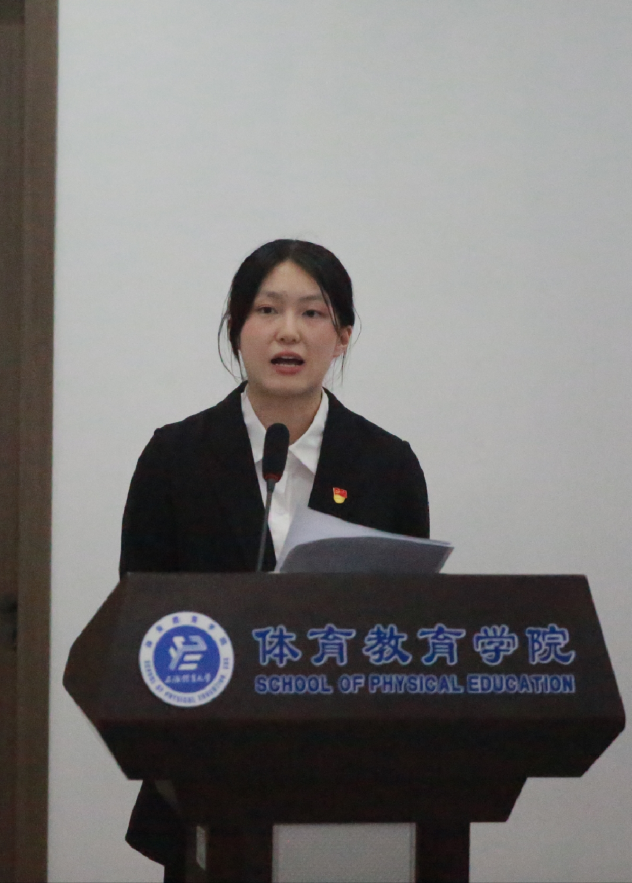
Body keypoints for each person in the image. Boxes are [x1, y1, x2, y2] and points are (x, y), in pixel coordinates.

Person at [118, 239, 429, 879]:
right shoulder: (175, 459)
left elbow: (408, 630)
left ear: (342, 336)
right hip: (206, 777)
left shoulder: (387, 465)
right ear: (236, 328)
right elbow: (140, 619)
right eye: (267, 310)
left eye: (312, 314)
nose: (289, 332)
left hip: (347, 777)